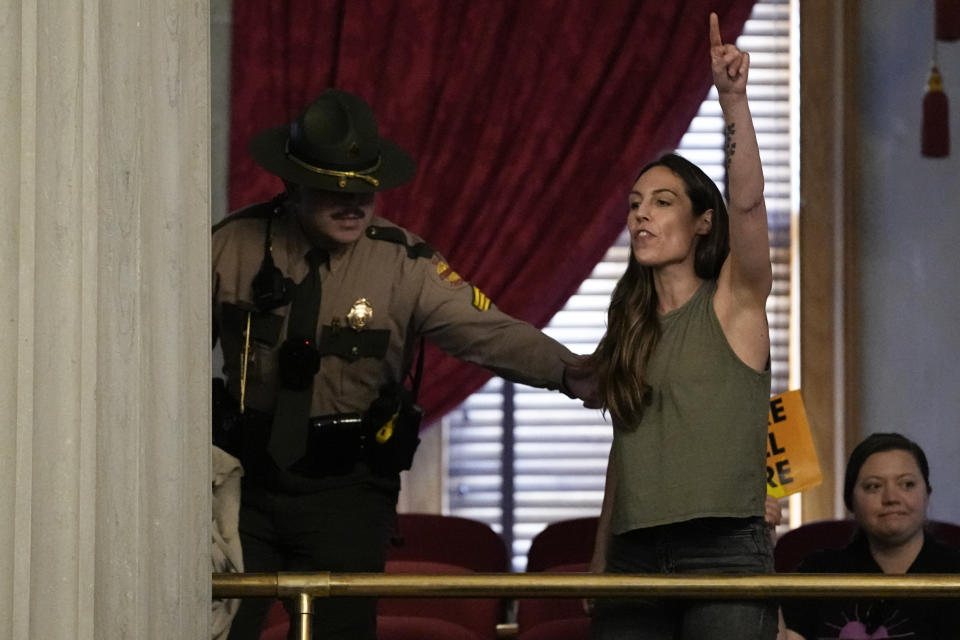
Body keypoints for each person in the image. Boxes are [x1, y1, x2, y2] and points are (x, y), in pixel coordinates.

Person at [212, 88, 595, 640]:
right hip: (244, 487)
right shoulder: (231, 247)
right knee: (220, 629)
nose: (354, 204)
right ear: (292, 184)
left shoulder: (404, 263)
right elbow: (161, 355)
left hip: (347, 492)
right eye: (333, 189)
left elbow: (488, 333)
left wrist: (571, 371)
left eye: (366, 189)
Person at [587, 13, 777, 640]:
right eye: (635, 205)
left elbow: (747, 204)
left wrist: (733, 101)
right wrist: (599, 555)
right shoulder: (631, 325)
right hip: (633, 554)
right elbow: (628, 449)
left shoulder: (734, 302)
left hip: (723, 550)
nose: (641, 215)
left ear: (701, 222)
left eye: (662, 202)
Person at [779, 432, 960, 640]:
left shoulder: (954, 574)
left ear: (927, 494)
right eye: (874, 486)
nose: (891, 498)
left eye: (907, 484)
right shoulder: (819, 573)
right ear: (850, 501)